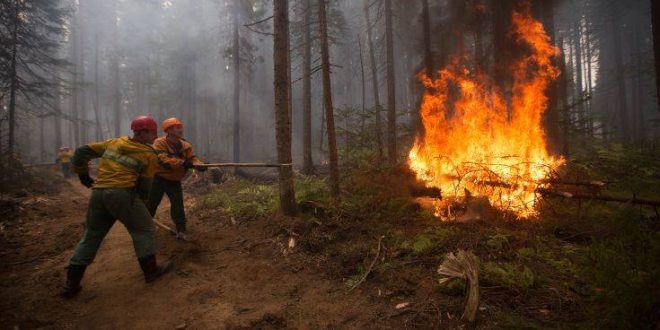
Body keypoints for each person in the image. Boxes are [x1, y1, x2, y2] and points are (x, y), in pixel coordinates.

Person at [61, 116, 171, 298]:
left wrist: (83, 176)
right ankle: (151, 272)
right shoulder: (148, 155)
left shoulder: (114, 142)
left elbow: (81, 151)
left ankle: (71, 285)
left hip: (98, 194)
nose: (155, 136)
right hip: (122, 194)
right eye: (153, 132)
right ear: (143, 133)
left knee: (91, 235)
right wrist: (142, 210)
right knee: (144, 229)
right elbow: (145, 188)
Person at [147, 117, 205, 240]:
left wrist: (199, 164)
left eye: (180, 127)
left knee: (178, 206)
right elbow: (163, 160)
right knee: (151, 204)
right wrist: (183, 163)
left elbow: (192, 158)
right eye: (176, 127)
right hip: (158, 179)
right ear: (169, 130)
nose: (180, 129)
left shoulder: (185, 145)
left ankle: (181, 230)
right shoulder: (159, 143)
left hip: (174, 180)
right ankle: (144, 228)